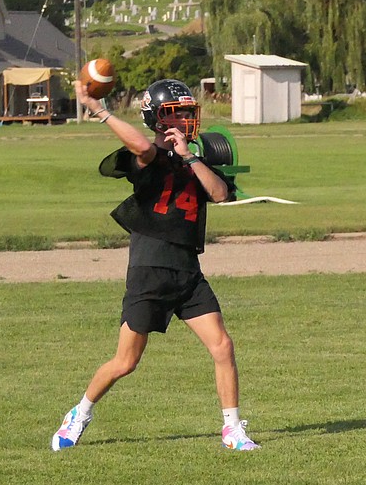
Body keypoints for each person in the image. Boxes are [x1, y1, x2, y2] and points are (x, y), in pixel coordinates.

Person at [51, 78, 259, 452]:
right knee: (125, 362)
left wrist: (191, 157)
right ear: (158, 118)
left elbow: (220, 194)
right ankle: (79, 414)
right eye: (175, 113)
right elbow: (142, 147)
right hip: (149, 271)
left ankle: (232, 429)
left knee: (223, 346)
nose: (184, 119)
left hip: (187, 271)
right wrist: (100, 110)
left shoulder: (197, 159)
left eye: (186, 112)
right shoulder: (146, 157)